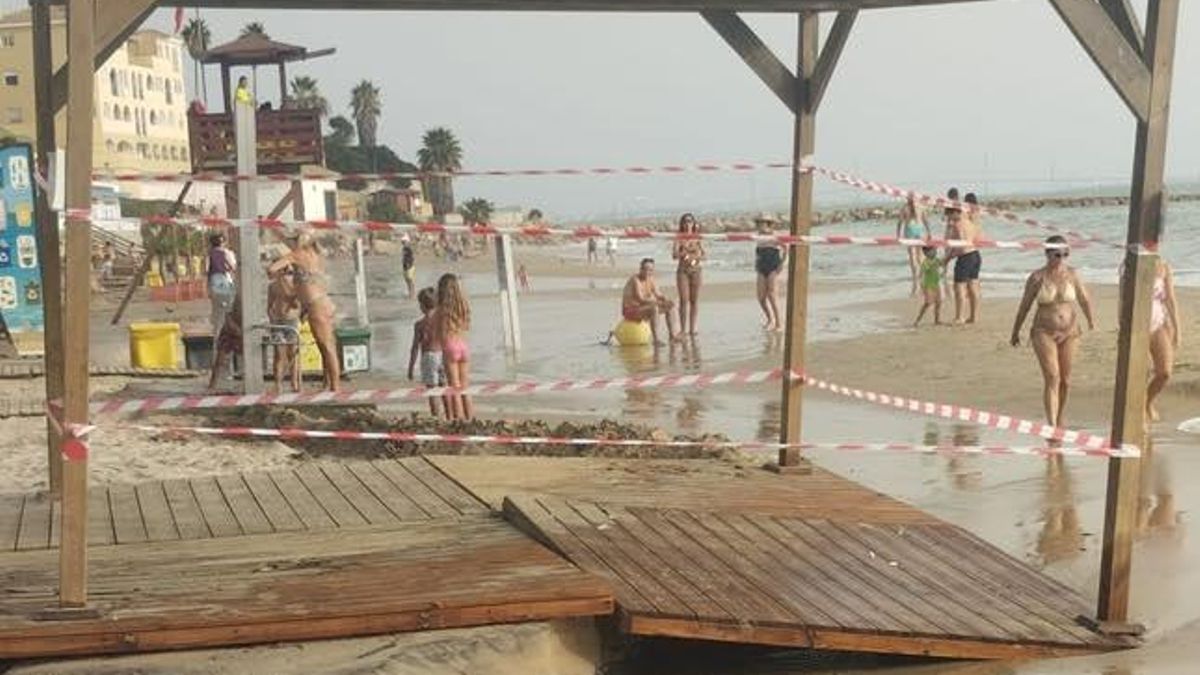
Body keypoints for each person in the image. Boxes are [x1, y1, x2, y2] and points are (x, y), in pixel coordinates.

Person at [1010, 236, 1095, 428]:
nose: (1062, 259)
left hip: (1070, 332)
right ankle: (1051, 424)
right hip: (1043, 331)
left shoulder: (1072, 274)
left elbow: (1084, 299)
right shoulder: (1037, 277)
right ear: (1047, 254)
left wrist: (1090, 320)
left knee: (1066, 380)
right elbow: (1024, 306)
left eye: (1066, 254)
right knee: (1052, 377)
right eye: (1057, 255)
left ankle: (1059, 416)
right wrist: (1015, 331)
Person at [269, 232, 340, 392]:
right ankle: (329, 384)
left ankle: (335, 387)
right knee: (324, 346)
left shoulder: (297, 255)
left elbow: (272, 268)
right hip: (322, 302)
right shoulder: (314, 254)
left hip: (315, 305)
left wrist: (281, 275)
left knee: (327, 347)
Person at [1133, 259, 1182, 422]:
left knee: (1165, 372)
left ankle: (1148, 401)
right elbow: (1124, 298)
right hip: (1137, 325)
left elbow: (1170, 299)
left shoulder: (1163, 266)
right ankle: (1139, 410)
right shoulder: (1132, 264)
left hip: (1159, 323)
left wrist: (1177, 329)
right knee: (1143, 372)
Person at [435, 273, 473, 420]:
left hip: (450, 346)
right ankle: (470, 418)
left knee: (454, 387)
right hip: (463, 345)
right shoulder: (463, 306)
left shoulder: (441, 310)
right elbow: (466, 326)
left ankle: (458, 420)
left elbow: (439, 333)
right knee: (465, 387)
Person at [943, 193, 984, 324]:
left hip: (965, 257)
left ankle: (959, 317)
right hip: (976, 255)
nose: (949, 219)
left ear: (955, 212)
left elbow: (960, 245)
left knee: (959, 287)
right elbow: (978, 238)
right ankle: (973, 316)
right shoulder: (970, 222)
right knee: (973, 286)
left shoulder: (958, 224)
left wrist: (947, 258)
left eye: (949, 215)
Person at [621, 258, 679, 346]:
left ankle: (672, 335)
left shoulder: (651, 279)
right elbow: (640, 299)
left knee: (670, 306)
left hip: (643, 308)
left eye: (650, 270)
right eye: (645, 269)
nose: (648, 272)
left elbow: (658, 294)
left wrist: (665, 299)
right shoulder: (635, 280)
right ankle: (656, 339)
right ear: (641, 269)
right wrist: (657, 303)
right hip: (630, 310)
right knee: (654, 308)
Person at [407, 287, 446, 418]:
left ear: (422, 306)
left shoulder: (420, 324)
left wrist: (411, 367)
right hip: (442, 355)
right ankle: (449, 414)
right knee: (444, 387)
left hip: (429, 357)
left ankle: (436, 416)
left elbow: (415, 348)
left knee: (432, 391)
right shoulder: (442, 321)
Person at [266, 265, 302, 394]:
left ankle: (294, 382)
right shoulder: (272, 286)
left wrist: (287, 289)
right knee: (279, 353)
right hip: (278, 321)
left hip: (291, 320)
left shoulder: (294, 285)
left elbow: (296, 305)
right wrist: (272, 319)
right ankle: (278, 384)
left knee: (292, 353)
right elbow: (269, 305)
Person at [672, 213, 705, 336]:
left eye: (690, 221)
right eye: (685, 221)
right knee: (684, 300)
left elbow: (704, 255)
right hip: (683, 271)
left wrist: (696, 256)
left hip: (696, 270)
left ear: (693, 223)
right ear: (682, 224)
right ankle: (683, 329)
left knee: (694, 300)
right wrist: (684, 252)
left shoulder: (697, 237)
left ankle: (692, 328)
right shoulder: (679, 237)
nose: (688, 224)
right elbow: (674, 255)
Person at [753, 213, 786, 331]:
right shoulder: (758, 236)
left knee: (772, 295)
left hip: (773, 266)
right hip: (761, 266)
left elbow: (785, 248)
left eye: (762, 223)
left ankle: (779, 323)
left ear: (768, 224)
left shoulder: (774, 236)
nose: (759, 225)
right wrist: (756, 263)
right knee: (761, 297)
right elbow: (758, 252)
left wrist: (781, 263)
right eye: (758, 223)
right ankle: (770, 319)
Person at [205, 233, 237, 348]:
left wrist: (208, 289)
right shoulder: (227, 253)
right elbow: (233, 267)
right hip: (226, 282)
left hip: (214, 283)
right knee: (229, 311)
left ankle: (217, 338)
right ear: (223, 242)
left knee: (217, 313)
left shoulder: (209, 255)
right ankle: (228, 336)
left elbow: (206, 271)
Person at [896, 195, 930, 296]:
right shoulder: (920, 207)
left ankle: (915, 276)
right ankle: (923, 274)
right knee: (921, 255)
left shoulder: (904, 208)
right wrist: (929, 232)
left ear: (907, 199)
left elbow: (900, 222)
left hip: (909, 229)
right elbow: (925, 220)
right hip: (919, 229)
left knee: (912, 255)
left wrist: (898, 235)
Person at [208, 299, 242, 392]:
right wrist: (236, 330)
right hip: (230, 332)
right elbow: (228, 317)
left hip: (242, 332)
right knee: (220, 360)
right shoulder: (234, 303)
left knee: (248, 358)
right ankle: (212, 385)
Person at [913, 246, 943, 327]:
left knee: (939, 302)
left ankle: (937, 320)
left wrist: (950, 255)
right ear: (926, 253)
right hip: (928, 285)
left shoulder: (936, 259)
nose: (935, 252)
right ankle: (918, 320)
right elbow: (921, 273)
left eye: (935, 250)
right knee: (928, 302)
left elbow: (943, 263)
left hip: (936, 284)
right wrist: (920, 286)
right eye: (933, 250)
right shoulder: (926, 262)